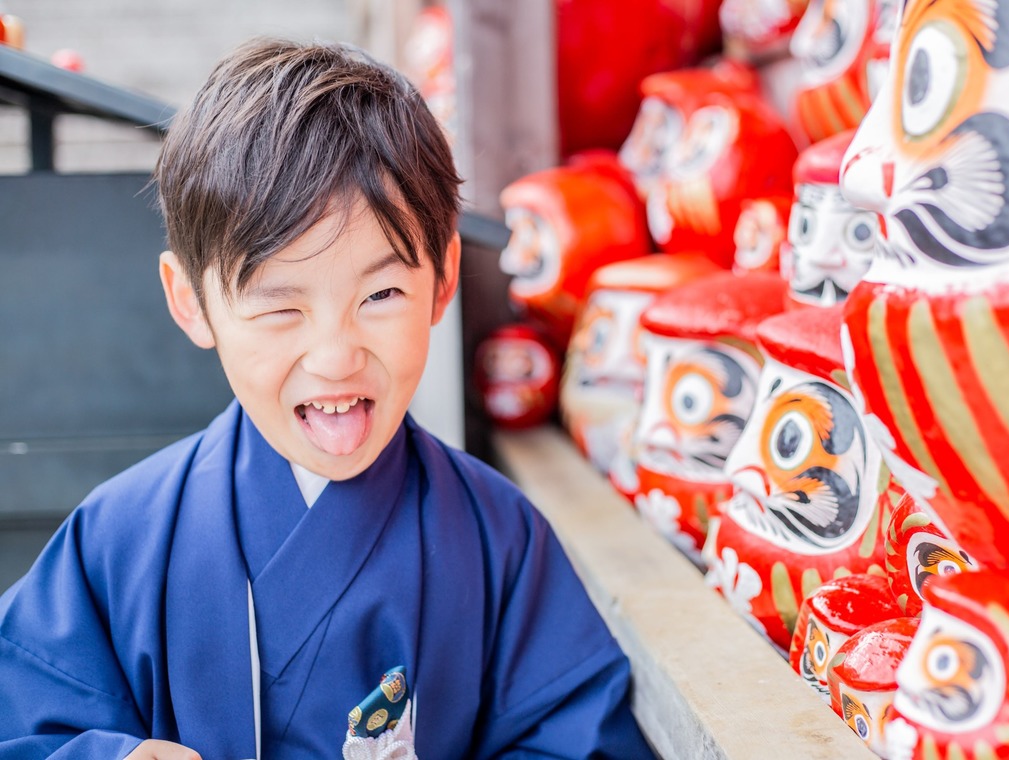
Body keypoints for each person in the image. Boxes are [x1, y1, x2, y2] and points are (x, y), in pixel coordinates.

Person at [0, 38, 654, 760]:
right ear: (191, 303)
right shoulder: (119, 541)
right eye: (281, 308)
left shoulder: (501, 542)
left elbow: (574, 737)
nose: (336, 356)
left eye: (380, 294)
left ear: (442, 279)